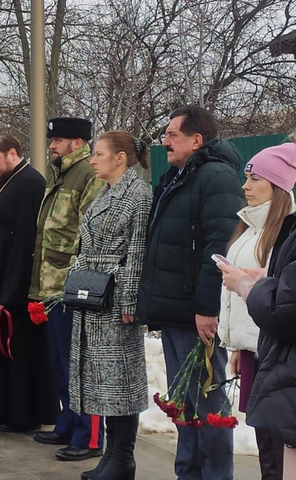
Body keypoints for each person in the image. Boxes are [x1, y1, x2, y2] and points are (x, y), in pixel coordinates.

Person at [136, 105, 244, 480]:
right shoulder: (176, 176)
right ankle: (188, 472)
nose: (164, 141)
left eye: (172, 135)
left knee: (207, 401)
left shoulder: (215, 177)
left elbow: (219, 247)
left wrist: (207, 307)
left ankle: (215, 475)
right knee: (183, 401)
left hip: (196, 313)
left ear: (196, 140)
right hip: (175, 309)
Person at [68, 131, 153, 480]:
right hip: (93, 294)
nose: (92, 159)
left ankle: (123, 458)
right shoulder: (107, 191)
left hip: (115, 298)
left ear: (120, 157)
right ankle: (110, 454)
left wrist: (129, 301)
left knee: (120, 384)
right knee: (102, 382)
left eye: (99, 153)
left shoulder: (138, 194)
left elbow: (136, 253)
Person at [217, 143, 296, 480]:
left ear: (278, 186)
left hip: (276, 347)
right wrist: (237, 344)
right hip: (257, 345)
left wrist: (248, 283)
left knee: (278, 439)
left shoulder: (283, 230)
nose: (245, 186)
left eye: (254, 179)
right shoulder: (250, 224)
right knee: (265, 436)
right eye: (246, 178)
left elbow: (282, 298)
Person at [30, 118, 106, 461]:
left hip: (72, 285)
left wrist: (77, 280)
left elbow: (87, 233)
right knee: (60, 362)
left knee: (77, 363)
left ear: (77, 142)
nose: (51, 145)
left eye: (57, 140)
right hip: (51, 285)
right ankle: (66, 421)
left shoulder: (88, 174)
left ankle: (88, 435)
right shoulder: (61, 173)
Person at [0, 133, 58, 431]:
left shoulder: (30, 182)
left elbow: (25, 239)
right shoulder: (4, 181)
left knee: (14, 347)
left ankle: (20, 413)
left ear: (12, 153)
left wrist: (11, 289)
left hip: (12, 281)